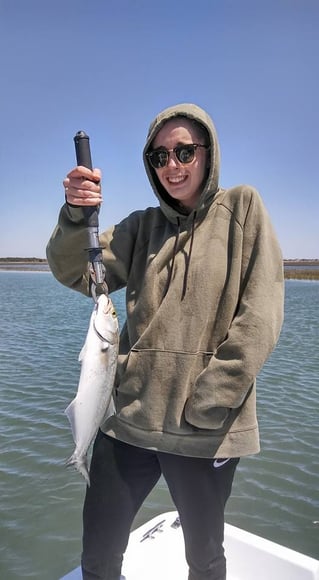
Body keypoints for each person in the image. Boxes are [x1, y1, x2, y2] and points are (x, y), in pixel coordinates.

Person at [46, 103, 284, 580]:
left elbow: (261, 313)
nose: (172, 166)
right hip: (128, 421)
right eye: (159, 157)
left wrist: (213, 398)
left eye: (184, 152)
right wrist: (76, 215)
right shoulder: (140, 227)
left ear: (207, 152)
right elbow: (78, 272)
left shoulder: (243, 208)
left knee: (205, 558)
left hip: (204, 428)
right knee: (97, 557)